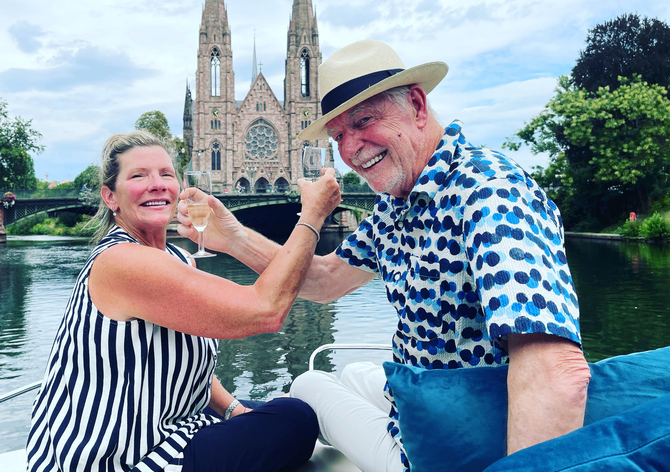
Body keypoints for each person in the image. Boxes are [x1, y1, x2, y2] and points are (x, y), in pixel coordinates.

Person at [177, 40, 591, 471]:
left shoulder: (491, 192)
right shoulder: (398, 204)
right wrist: (235, 238)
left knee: (308, 383)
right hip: (430, 396)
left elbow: (555, 367)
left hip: (455, 443)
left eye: (365, 120)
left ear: (416, 104)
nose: (351, 148)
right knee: (354, 375)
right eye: (338, 135)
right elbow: (323, 280)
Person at [26, 131, 341, 472]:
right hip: (115, 456)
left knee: (288, 408)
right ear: (110, 197)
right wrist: (312, 215)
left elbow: (192, 369)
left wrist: (233, 409)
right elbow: (265, 311)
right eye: (138, 175)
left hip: (171, 428)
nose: (157, 184)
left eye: (166, 174)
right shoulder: (122, 262)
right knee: (296, 417)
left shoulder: (177, 258)